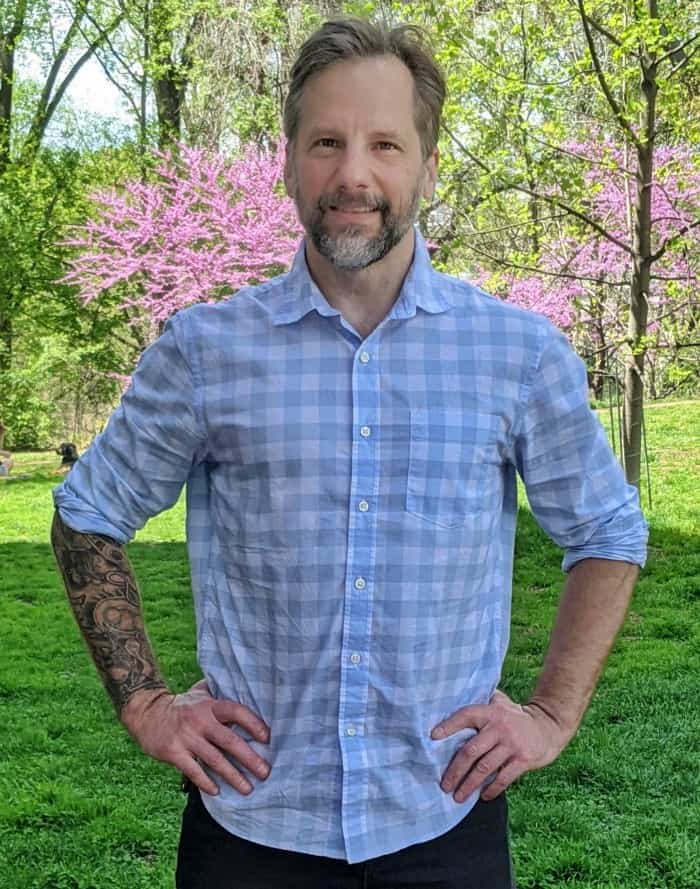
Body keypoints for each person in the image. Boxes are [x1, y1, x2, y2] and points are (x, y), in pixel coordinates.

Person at [51, 16, 648, 889]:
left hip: (445, 817)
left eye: (385, 144)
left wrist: (553, 713)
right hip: (252, 826)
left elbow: (607, 530)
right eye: (326, 142)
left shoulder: (517, 356)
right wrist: (145, 703)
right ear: (290, 161)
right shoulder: (205, 351)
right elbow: (87, 516)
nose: (353, 175)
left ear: (429, 166)